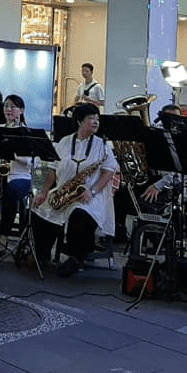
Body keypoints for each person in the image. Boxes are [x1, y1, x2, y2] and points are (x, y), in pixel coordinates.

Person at [32, 103, 116, 277]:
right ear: (79, 121)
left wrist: (91, 191)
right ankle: (42, 254)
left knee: (80, 215)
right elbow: (52, 169)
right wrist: (44, 191)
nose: (95, 122)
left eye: (97, 119)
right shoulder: (64, 142)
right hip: (64, 191)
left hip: (91, 196)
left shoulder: (103, 145)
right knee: (39, 208)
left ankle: (76, 258)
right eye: (91, 118)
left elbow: (109, 172)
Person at [0, 94, 33, 244]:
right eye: (6, 106)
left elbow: (29, 162)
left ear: (21, 110)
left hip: (20, 176)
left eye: (13, 106)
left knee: (10, 192)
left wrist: (12, 154)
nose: (8, 109)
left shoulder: (26, 132)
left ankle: (4, 234)